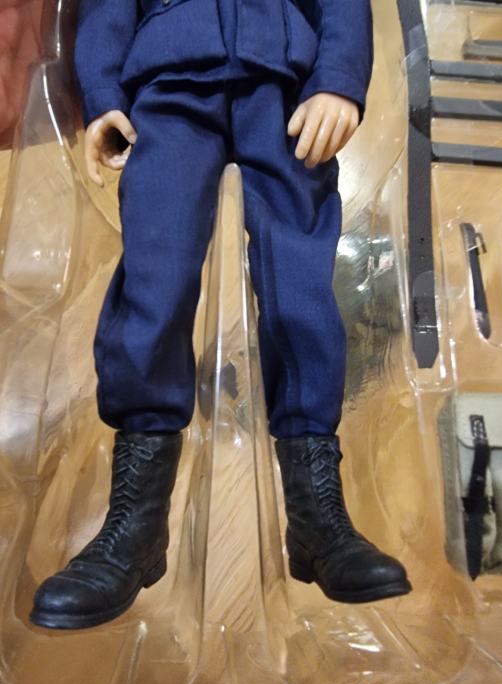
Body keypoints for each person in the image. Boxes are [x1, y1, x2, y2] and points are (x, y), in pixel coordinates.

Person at [30, 0, 411, 630]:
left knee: (301, 291)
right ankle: (135, 525)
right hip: (168, 83)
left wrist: (339, 80)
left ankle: (318, 519)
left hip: (284, 87)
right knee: (154, 278)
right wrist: (102, 95)